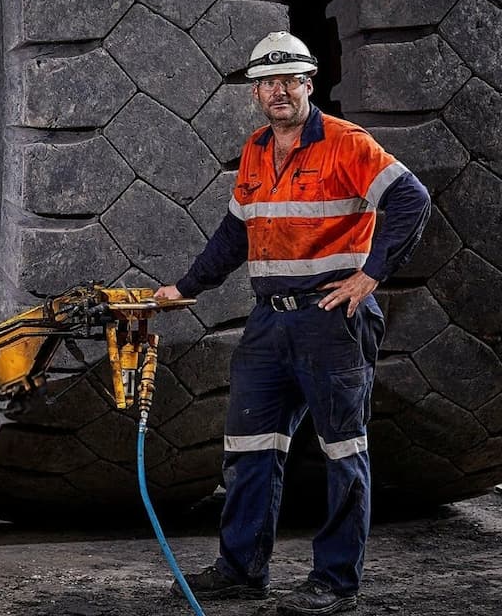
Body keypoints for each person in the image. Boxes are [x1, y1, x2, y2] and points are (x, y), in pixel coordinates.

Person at [154, 31, 430, 615]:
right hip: (268, 323)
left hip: (331, 321)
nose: (279, 91)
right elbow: (236, 233)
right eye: (267, 83)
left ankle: (335, 581)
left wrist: (370, 276)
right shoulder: (256, 149)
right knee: (249, 445)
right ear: (255, 93)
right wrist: (186, 287)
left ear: (308, 83)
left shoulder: (345, 143)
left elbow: (412, 199)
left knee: (342, 452)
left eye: (290, 80)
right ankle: (241, 569)